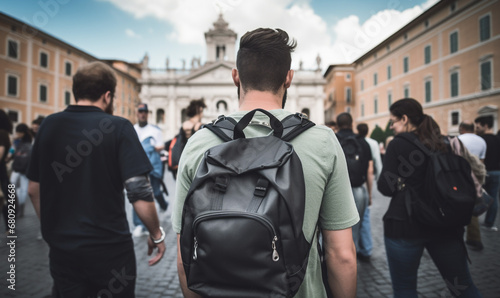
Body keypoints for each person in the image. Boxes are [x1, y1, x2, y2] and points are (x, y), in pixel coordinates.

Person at [172, 28, 359, 298]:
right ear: (289, 78)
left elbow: (184, 257)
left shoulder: (199, 143)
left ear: (235, 76)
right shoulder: (322, 142)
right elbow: (341, 255)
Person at [27, 61, 166, 297]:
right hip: (109, 248)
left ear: (76, 91)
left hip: (63, 249)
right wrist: (156, 234)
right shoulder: (119, 126)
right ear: (108, 95)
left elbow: (32, 189)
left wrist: (53, 229)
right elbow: (139, 191)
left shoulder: (49, 125)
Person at [378, 98, 481, 297]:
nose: (391, 126)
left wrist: (402, 180)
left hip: (405, 224)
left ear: (405, 119)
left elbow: (386, 188)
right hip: (445, 223)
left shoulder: (398, 144)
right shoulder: (443, 142)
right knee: (462, 286)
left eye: (393, 121)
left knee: (405, 289)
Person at [336, 113, 373, 258]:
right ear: (352, 123)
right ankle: (354, 257)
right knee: (356, 229)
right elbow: (370, 170)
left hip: (337, 190)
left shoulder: (333, 139)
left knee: (335, 228)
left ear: (338, 124)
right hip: (358, 190)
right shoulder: (363, 142)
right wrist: (369, 194)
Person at [132, 103, 168, 237]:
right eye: (140, 111)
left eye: (145, 112)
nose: (142, 114)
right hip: (137, 167)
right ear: (137, 113)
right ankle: (140, 225)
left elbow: (161, 146)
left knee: (156, 192)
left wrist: (151, 146)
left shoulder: (155, 130)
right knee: (137, 193)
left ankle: (164, 205)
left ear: (147, 114)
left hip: (153, 166)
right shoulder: (132, 129)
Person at [458, 121, 487, 250]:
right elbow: (481, 162)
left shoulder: (458, 139)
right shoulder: (482, 141)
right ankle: (474, 237)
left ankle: (455, 234)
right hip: (475, 177)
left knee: (454, 204)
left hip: (459, 175)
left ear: (462, 128)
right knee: (472, 205)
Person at [356, 123, 381, 262]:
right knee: (365, 217)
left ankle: (353, 252)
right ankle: (367, 249)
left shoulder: (354, 142)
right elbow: (372, 167)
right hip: (362, 186)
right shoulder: (370, 143)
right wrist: (370, 193)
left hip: (350, 186)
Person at [475, 115, 500, 232]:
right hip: (497, 172)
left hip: (484, 172)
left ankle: (473, 219)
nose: (476, 129)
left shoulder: (481, 140)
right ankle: (489, 223)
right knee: (493, 198)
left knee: (476, 195)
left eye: (478, 126)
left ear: (485, 125)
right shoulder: (497, 139)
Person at [10, 123, 33, 217]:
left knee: (22, 189)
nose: (18, 134)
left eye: (19, 132)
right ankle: (14, 207)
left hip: (23, 169)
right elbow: (12, 151)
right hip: (18, 168)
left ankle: (20, 209)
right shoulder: (18, 141)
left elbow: (13, 151)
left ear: (23, 133)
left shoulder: (28, 142)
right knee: (12, 186)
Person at [0, 110, 13, 234]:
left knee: (7, 198)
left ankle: (10, 226)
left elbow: (1, 153)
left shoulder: (2, 133)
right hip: (2, 170)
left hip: (1, 171)